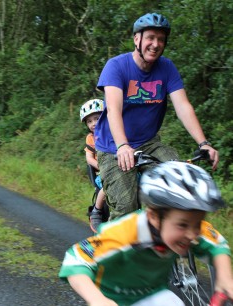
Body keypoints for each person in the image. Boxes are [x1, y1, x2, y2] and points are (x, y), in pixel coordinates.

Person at [94, 12, 219, 220]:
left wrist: (203, 142)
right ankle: (112, 248)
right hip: (113, 146)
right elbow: (113, 109)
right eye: (150, 37)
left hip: (148, 143)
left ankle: (164, 238)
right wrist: (123, 145)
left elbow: (183, 106)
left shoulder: (167, 68)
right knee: (126, 208)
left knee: (180, 181)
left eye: (161, 39)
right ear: (137, 39)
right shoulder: (116, 66)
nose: (155, 44)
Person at [59, 162, 232, 306]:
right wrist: (98, 300)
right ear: (154, 217)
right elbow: (75, 259)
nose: (193, 234)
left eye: (197, 223)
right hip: (113, 300)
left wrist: (225, 278)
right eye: (183, 225)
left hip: (153, 295)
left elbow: (216, 243)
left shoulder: (186, 225)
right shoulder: (124, 234)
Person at [80, 99, 107, 233]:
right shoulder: (91, 138)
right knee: (109, 184)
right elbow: (89, 159)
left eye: (97, 118)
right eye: (89, 121)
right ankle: (97, 211)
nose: (93, 123)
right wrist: (102, 167)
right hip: (102, 172)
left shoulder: (113, 131)